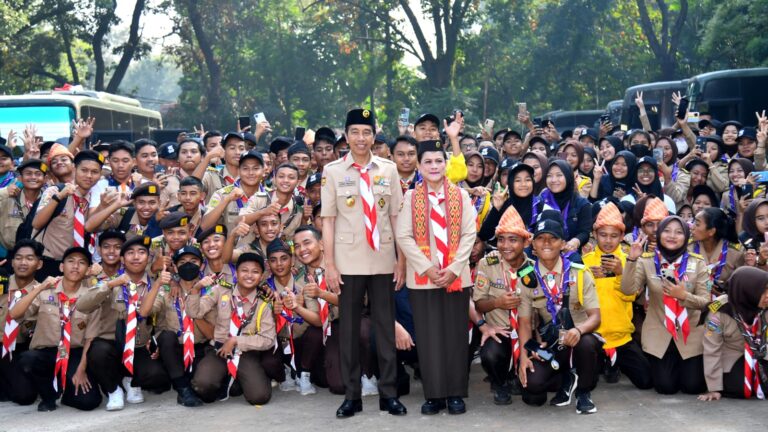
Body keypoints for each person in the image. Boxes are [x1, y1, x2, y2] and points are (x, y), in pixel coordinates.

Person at [320, 108, 406, 418]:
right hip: (348, 261)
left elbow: (396, 217)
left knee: (385, 330)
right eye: (355, 132)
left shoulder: (388, 170)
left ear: (374, 135)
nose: (361, 138)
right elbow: (328, 221)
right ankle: (352, 396)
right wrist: (329, 264)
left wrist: (401, 260)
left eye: (366, 132)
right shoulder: (333, 172)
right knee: (349, 331)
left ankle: (389, 394)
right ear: (346, 135)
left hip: (383, 258)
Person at [396, 139, 476, 415]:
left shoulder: (461, 196)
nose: (433, 166)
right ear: (419, 165)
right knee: (429, 338)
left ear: (446, 164)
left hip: (456, 276)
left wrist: (453, 268)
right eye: (427, 161)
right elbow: (403, 235)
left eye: (438, 161)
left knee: (455, 336)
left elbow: (469, 234)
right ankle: (434, 394)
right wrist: (427, 267)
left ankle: (455, 393)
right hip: (423, 278)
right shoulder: (410, 197)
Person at [517, 218, 602, 414]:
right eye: (540, 238)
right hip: (553, 344)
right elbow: (524, 322)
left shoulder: (579, 273)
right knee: (532, 386)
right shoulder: (527, 276)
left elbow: (596, 317)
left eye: (553, 238)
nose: (546, 243)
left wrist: (578, 330)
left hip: (580, 338)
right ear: (533, 245)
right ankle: (568, 376)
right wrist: (524, 356)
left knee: (587, 343)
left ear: (563, 244)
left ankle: (583, 391)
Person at [78, 235, 172, 411]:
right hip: (111, 344)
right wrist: (112, 284)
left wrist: (157, 284)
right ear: (122, 259)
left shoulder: (157, 285)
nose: (136, 257)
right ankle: (114, 389)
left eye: (141, 252)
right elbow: (82, 306)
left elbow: (147, 312)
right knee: (97, 352)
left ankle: (131, 380)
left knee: (156, 376)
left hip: (138, 345)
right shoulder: (110, 281)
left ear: (148, 258)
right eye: (130, 253)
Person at [622, 216, 709, 395]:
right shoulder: (646, 261)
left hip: (690, 334)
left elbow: (705, 302)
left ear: (686, 236)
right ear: (659, 234)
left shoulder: (697, 262)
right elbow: (628, 289)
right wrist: (631, 260)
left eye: (678, 232)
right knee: (665, 387)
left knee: (692, 387)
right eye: (667, 231)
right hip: (660, 332)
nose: (672, 236)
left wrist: (684, 296)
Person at [13, 247, 102, 411]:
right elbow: (15, 313)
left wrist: (81, 370)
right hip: (46, 351)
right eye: (71, 261)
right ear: (61, 267)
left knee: (89, 402)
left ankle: (67, 394)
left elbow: (90, 338)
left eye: (81, 263)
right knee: (28, 359)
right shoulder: (45, 290)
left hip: (74, 352)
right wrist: (38, 288)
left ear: (88, 270)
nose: (75, 266)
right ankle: (48, 396)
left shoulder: (91, 296)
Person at [187, 252, 276, 405]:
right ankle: (227, 380)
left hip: (246, 353)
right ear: (236, 273)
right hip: (219, 350)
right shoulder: (221, 291)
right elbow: (194, 312)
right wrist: (196, 289)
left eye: (255, 272)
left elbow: (268, 339)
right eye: (244, 270)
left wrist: (236, 341)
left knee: (259, 397)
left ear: (261, 277)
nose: (249, 275)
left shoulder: (264, 303)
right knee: (203, 387)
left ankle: (243, 380)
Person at [582, 202, 652, 389]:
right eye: (603, 235)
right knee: (587, 384)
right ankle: (606, 364)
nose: (608, 241)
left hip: (621, 336)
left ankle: (614, 364)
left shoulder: (629, 259)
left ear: (622, 236)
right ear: (594, 235)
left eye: (614, 236)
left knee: (645, 381)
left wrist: (622, 271)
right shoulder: (586, 261)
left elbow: (631, 296)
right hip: (594, 336)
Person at [474, 205, 536, 405]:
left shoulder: (534, 269)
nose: (505, 245)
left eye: (513, 240)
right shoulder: (487, 264)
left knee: (535, 393)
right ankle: (500, 382)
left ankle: (519, 375)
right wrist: (498, 303)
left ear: (526, 242)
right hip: (501, 332)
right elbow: (479, 305)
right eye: (501, 239)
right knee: (490, 354)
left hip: (528, 334)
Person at [137, 245, 209, 407]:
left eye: (193, 261)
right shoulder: (166, 289)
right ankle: (182, 388)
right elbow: (144, 312)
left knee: (207, 390)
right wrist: (158, 284)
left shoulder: (210, 289)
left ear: (202, 265)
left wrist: (193, 309)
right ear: (175, 267)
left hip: (200, 348)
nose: (188, 265)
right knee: (167, 336)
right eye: (182, 262)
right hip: (174, 349)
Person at [32, 150, 104, 279]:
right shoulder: (55, 191)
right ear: (74, 169)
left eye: (94, 172)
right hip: (48, 264)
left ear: (100, 175)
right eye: (84, 170)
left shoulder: (96, 199)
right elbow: (36, 223)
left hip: (77, 267)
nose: (89, 176)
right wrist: (59, 197)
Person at [699, 267, 768, 401]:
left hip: (762, 353)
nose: (767, 295)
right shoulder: (719, 310)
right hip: (734, 355)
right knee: (739, 388)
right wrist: (714, 388)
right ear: (748, 290)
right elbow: (712, 349)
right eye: (763, 291)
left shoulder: (764, 305)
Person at [0, 240, 43, 406]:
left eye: (29, 258)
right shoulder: (2, 281)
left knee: (24, 396)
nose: (23, 263)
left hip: (20, 349)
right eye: (18, 258)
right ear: (12, 262)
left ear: (39, 264)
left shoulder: (43, 291)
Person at [202, 149, 265, 233]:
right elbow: (204, 226)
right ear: (239, 171)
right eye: (245, 168)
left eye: (256, 168)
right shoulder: (222, 194)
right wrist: (227, 200)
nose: (251, 173)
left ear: (263, 171)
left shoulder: (269, 196)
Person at [537, 160, 592, 255]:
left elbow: (584, 232)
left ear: (568, 177)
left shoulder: (582, 204)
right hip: (543, 252)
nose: (554, 180)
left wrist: (575, 241)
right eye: (549, 176)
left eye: (559, 175)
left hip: (570, 253)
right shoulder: (540, 200)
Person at [689, 208, 744, 297]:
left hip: (724, 305)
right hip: (692, 303)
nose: (692, 226)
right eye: (694, 222)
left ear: (711, 231)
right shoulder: (688, 248)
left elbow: (741, 286)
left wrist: (724, 290)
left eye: (697, 224)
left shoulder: (735, 252)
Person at [0, 158, 46, 252]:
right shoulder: (6, 198)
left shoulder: (50, 200)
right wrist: (4, 192)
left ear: (45, 179)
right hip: (12, 256)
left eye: (38, 174)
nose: (33, 177)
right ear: (20, 178)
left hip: (41, 258)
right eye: (28, 173)